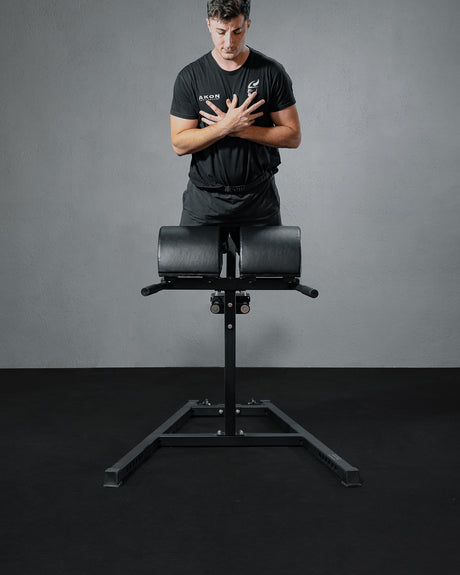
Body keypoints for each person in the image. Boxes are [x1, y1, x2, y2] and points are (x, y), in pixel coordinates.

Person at [170, 0, 301, 228]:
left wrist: (242, 130)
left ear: (247, 24)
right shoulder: (190, 77)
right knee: (185, 254)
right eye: (221, 32)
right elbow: (179, 144)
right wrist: (224, 127)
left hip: (258, 199)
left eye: (237, 32)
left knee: (275, 254)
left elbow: (292, 136)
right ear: (209, 25)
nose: (229, 42)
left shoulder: (271, 73)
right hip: (205, 201)